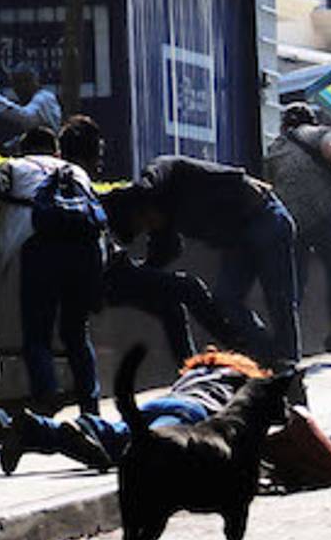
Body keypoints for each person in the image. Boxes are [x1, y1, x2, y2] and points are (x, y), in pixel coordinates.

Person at [58, 116, 240, 365]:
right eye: (97, 157)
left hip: (112, 271)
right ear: (83, 158)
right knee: (188, 287)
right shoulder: (75, 189)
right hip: (104, 276)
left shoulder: (78, 188)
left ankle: (187, 370)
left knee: (170, 305)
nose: (100, 166)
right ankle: (240, 346)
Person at [102, 155, 301, 366]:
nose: (150, 226)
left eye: (146, 219)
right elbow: (162, 257)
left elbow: (164, 167)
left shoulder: (171, 176)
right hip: (237, 238)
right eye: (144, 228)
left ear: (146, 203)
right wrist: (137, 272)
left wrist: (144, 186)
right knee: (226, 299)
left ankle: (287, 360)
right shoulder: (162, 227)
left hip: (264, 216)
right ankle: (268, 356)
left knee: (278, 297)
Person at [0, 127, 104, 414]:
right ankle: (91, 409)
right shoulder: (76, 172)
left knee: (38, 333)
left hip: (41, 250)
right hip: (86, 252)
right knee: (77, 334)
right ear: (56, 152)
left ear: (22, 150)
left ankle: (46, 403)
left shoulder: (15, 167)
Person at [0, 349, 269, 475]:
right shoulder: (241, 382)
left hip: (158, 404)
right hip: (191, 412)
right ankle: (88, 429)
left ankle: (36, 428)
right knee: (153, 449)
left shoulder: (195, 373)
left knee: (126, 436)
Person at [265, 105, 331, 353]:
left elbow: (270, 183)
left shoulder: (275, 147)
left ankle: (289, 338)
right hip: (324, 211)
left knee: (295, 278)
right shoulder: (319, 133)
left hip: (292, 218)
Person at [0, 64, 62, 150]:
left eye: (26, 81)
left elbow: (27, 118)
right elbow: (27, 134)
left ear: (36, 80)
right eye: (16, 83)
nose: (21, 86)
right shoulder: (29, 101)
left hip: (50, 150)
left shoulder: (45, 97)